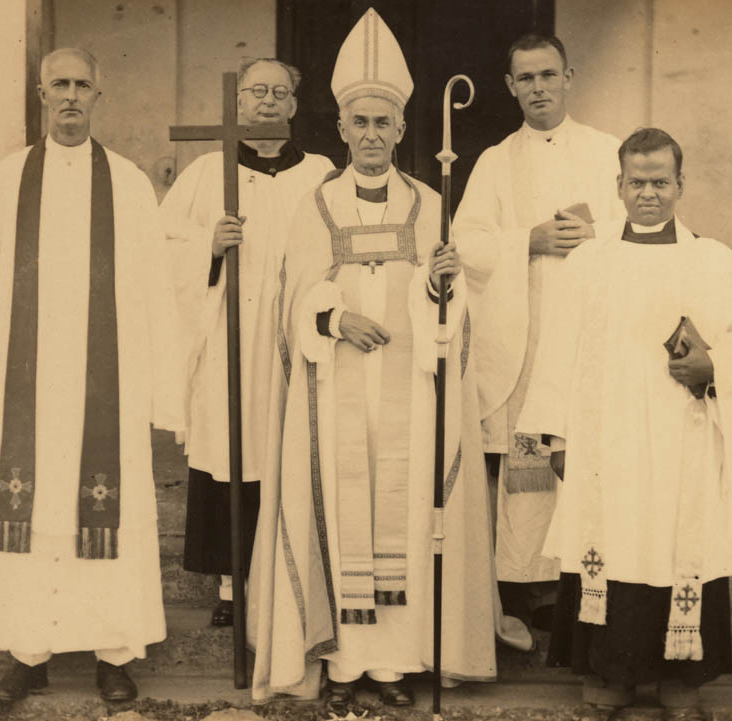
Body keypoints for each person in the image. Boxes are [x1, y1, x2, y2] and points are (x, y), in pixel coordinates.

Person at [248, 8, 497, 711]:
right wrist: (334, 316)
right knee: (340, 508)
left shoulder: (427, 205)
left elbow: (449, 312)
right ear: (339, 130)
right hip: (335, 395)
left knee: (408, 515)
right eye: (358, 124)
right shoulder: (315, 205)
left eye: (382, 124)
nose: (370, 136)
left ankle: (391, 664)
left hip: (412, 397)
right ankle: (344, 662)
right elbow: (292, 302)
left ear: (399, 130)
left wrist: (442, 284)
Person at [0, 48, 185, 703]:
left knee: (108, 518)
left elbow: (157, 292)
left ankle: (114, 653)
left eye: (82, 85)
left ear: (97, 95)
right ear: (41, 94)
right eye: (59, 85)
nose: (71, 96)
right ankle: (29, 654)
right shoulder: (6, 180)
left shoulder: (129, 184)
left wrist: (165, 388)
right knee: (30, 519)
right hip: (22, 387)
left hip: (106, 386)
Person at [516, 128, 732, 718]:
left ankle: (679, 685)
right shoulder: (588, 262)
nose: (649, 194)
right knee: (611, 546)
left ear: (680, 185)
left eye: (661, 182)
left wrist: (714, 366)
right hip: (606, 446)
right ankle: (608, 679)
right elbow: (559, 349)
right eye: (637, 182)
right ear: (619, 186)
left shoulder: (712, 261)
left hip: (682, 440)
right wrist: (558, 438)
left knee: (674, 546)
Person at [453, 34, 623, 631]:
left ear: (569, 77)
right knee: (529, 465)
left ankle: (585, 584)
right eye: (525, 79)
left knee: (588, 455)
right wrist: (526, 239)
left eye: (548, 75)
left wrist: (595, 237)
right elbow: (467, 240)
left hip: (589, 336)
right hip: (526, 335)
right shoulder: (496, 161)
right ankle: (527, 587)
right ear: (509, 86)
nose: (538, 88)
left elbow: (641, 227)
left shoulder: (608, 153)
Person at [159, 57, 333, 627]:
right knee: (232, 453)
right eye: (255, 90)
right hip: (229, 340)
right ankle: (234, 588)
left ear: (293, 106)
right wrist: (206, 248)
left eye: (278, 92)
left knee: (286, 448)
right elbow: (158, 249)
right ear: (237, 103)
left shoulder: (321, 173)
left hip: (293, 339)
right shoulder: (206, 173)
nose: (265, 101)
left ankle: (285, 581)